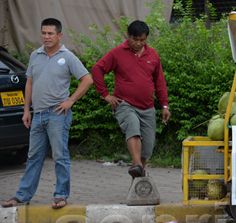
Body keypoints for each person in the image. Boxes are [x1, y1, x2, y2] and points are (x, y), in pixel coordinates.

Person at [2, 18, 93, 209]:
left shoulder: (67, 56)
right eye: (44, 33)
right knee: (33, 156)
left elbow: (87, 79)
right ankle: (22, 196)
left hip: (58, 114)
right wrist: (27, 110)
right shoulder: (36, 55)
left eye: (50, 33)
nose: (46, 36)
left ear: (59, 35)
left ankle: (61, 195)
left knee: (60, 155)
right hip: (38, 114)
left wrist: (70, 101)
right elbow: (29, 83)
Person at [91, 20, 170, 179]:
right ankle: (137, 165)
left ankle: (137, 177)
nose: (139, 43)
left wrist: (164, 105)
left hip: (147, 107)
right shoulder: (117, 53)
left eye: (143, 40)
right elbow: (97, 69)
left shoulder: (152, 54)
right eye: (136, 39)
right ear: (128, 36)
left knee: (147, 146)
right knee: (132, 127)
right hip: (125, 104)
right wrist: (106, 95)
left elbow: (159, 81)